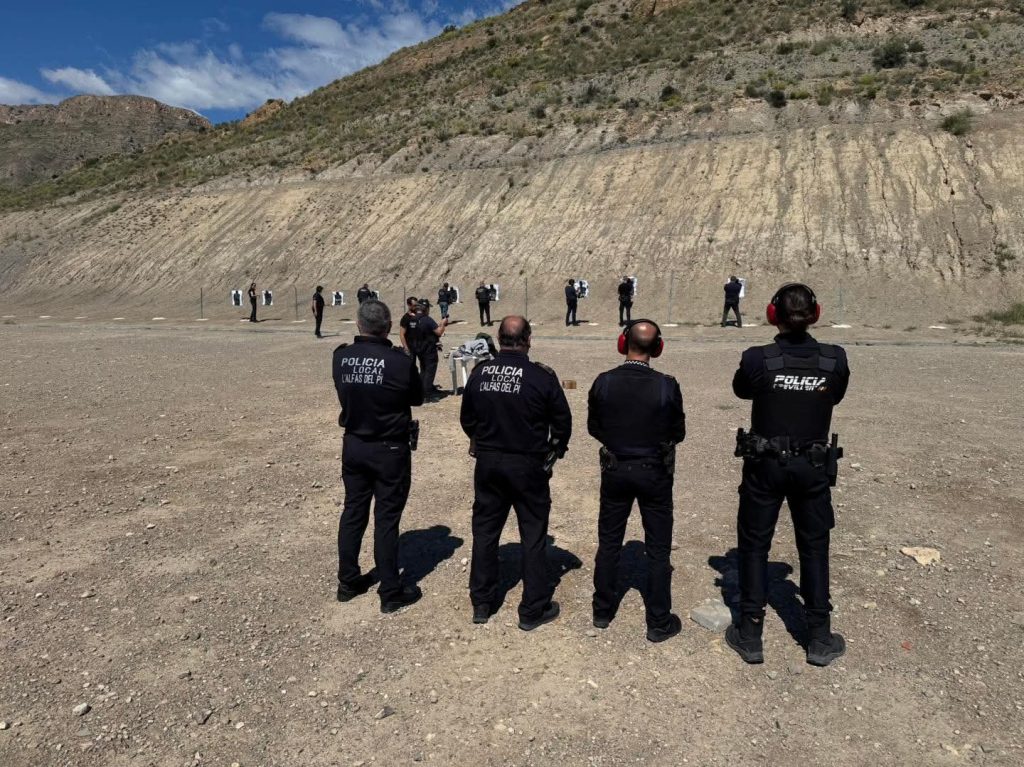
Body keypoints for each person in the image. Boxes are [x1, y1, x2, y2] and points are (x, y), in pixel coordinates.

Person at [726, 283, 850, 667]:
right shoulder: (834, 359)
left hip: (765, 466)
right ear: (816, 313)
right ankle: (818, 636)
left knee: (754, 545)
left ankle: (750, 633)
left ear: (771, 313)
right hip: (811, 467)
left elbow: (741, 391)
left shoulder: (757, 359)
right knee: (813, 547)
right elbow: (836, 395)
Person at [460, 316, 572, 630]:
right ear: (528, 339)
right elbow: (563, 424)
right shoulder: (542, 376)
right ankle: (532, 609)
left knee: (485, 532)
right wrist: (553, 451)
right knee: (533, 536)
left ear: (499, 337)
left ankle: (482, 602)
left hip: (490, 463)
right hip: (528, 466)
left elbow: (467, 418)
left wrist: (483, 441)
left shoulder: (480, 372)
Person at [588, 320, 686, 642]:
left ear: (623, 342)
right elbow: (678, 432)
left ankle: (602, 611)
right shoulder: (666, 385)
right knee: (658, 550)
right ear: (658, 348)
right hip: (654, 472)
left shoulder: (603, 382)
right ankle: (658, 622)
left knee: (609, 542)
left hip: (615, 470)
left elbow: (594, 428)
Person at [332, 299, 424, 613]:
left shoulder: (341, 357)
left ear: (359, 325)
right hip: (389, 449)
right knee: (386, 520)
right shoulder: (399, 362)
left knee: (353, 513)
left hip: (355, 444)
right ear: (387, 328)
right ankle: (390, 590)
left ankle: (347, 582)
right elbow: (417, 397)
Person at [410, 299, 449, 401]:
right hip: (428, 350)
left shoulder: (412, 320)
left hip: (418, 349)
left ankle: (423, 390)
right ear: (425, 309)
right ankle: (427, 394)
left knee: (423, 370)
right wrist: (443, 324)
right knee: (429, 370)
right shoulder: (427, 319)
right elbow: (439, 332)